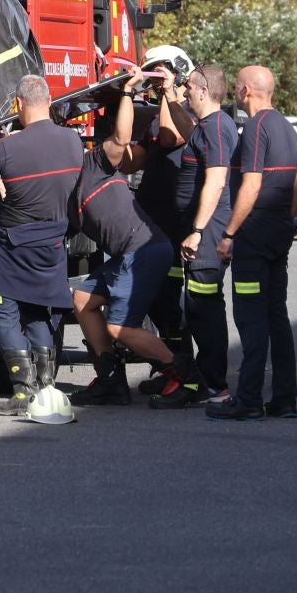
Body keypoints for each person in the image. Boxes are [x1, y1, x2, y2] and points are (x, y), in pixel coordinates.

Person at [0, 74, 78, 417]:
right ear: (49, 102)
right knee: (38, 310)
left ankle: (22, 391)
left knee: (2, 311)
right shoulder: (72, 141)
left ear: (18, 104)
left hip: (11, 246)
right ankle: (45, 386)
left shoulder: (4, 149)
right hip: (52, 243)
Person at [67, 93, 181, 407]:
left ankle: (186, 376)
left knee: (120, 328)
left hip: (145, 250)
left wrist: (128, 94)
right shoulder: (66, 196)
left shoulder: (94, 163)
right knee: (82, 300)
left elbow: (121, 138)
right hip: (126, 257)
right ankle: (111, 381)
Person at [210, 65, 297, 422]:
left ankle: (249, 399)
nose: (235, 91)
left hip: (252, 238)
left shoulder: (255, 127)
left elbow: (251, 185)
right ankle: (285, 399)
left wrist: (229, 233)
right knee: (276, 315)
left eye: (237, 86)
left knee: (251, 318)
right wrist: (285, 221)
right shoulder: (288, 128)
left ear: (246, 90)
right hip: (278, 233)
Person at [157, 62, 238, 407]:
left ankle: (214, 386)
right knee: (191, 307)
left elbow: (217, 181)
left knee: (204, 310)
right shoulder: (206, 126)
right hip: (196, 230)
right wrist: (168, 95)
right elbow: (190, 131)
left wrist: (198, 231)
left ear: (204, 91)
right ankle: (195, 380)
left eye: (188, 86)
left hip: (207, 231)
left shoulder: (217, 127)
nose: (185, 90)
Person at [126, 47, 193, 397]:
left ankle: (186, 370)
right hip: (152, 225)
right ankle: (167, 367)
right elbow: (132, 161)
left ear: (179, 73)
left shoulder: (186, 113)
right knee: (155, 299)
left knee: (170, 299)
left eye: (160, 73)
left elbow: (170, 138)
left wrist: (168, 93)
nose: (154, 83)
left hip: (174, 225)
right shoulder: (155, 117)